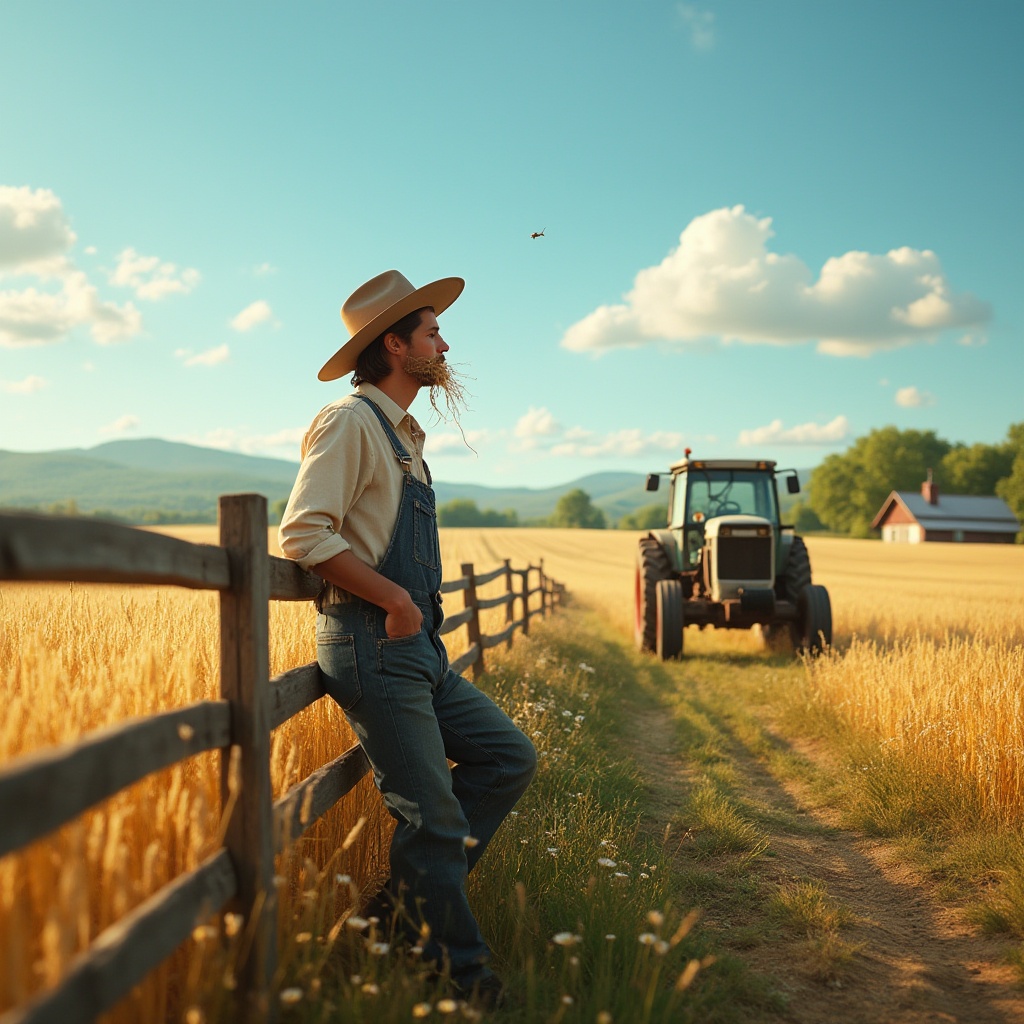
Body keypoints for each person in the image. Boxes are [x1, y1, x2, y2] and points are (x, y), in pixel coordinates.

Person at [278, 269, 536, 1005]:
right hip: (371, 643)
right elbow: (303, 531)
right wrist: (393, 597)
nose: (443, 344)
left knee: (508, 757)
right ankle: (461, 979)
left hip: (415, 651)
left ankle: (393, 921)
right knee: (435, 814)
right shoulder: (351, 422)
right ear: (394, 344)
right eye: (431, 333)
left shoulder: (406, 438)